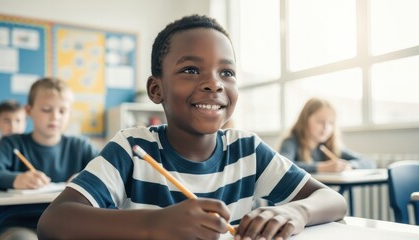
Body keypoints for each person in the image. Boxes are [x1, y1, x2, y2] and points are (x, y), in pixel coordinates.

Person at [37, 15, 347, 240]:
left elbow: (333, 200)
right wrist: (154, 226)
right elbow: (53, 222)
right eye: (190, 69)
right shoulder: (133, 149)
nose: (214, 83)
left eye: (226, 72)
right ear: (156, 89)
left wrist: (296, 212)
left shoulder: (248, 150)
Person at [0, 77, 99, 240]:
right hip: (20, 223)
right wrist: (15, 180)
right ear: (28, 110)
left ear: (69, 113)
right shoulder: (12, 143)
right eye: (46, 109)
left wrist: (85, 178)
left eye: (62, 111)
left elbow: (110, 173)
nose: (55, 117)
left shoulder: (80, 145)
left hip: (70, 225)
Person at [278, 97, 375, 173]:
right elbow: (284, 166)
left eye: (331, 123)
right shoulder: (291, 141)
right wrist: (322, 168)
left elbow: (369, 162)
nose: (326, 127)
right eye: (320, 121)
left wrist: (349, 166)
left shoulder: (328, 146)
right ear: (305, 120)